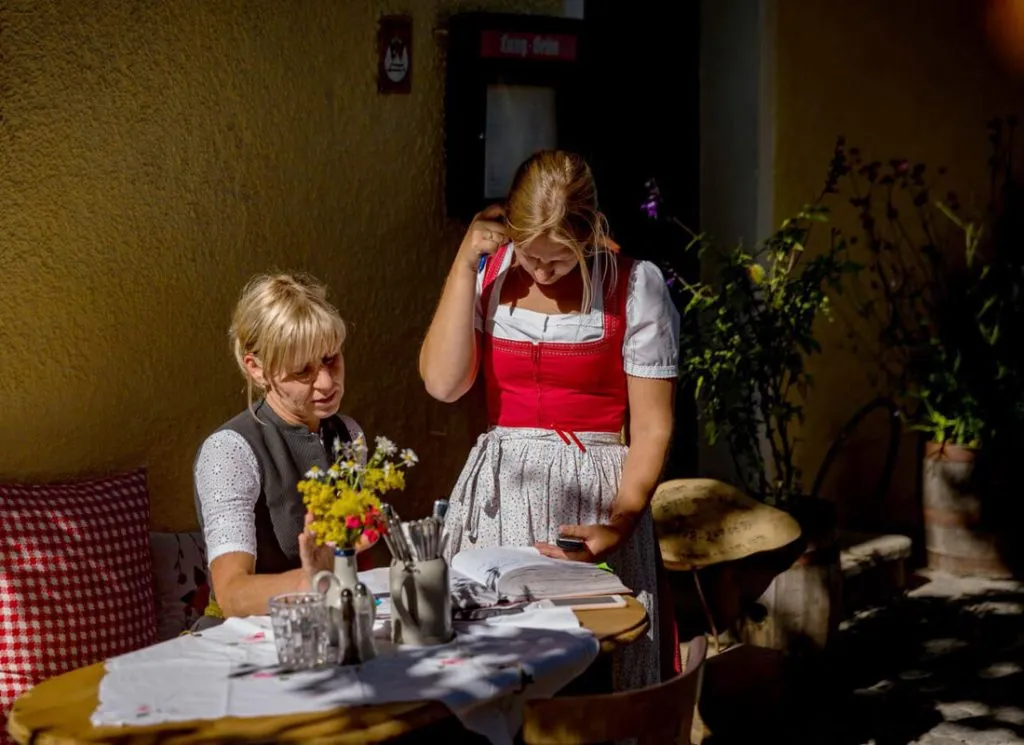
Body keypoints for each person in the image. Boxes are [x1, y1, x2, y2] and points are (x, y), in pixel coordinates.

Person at [419, 150, 681, 690]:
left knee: (595, 672)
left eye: (558, 260)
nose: (540, 271)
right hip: (499, 498)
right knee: (493, 672)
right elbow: (443, 384)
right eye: (530, 256)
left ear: (589, 234)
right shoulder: (490, 273)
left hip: (593, 501)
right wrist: (466, 260)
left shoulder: (634, 286)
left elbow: (653, 426)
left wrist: (620, 521)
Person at [192, 272, 373, 627]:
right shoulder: (230, 450)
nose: (325, 382)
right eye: (302, 371)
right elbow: (232, 594)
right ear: (257, 369)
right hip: (243, 637)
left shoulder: (348, 435)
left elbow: (351, 555)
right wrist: (312, 582)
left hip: (327, 622)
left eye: (329, 359)